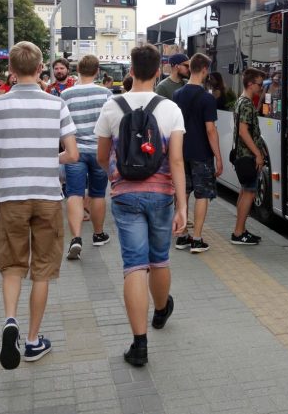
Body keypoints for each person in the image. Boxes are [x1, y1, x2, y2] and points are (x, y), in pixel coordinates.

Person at [0, 41, 78, 370]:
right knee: (42, 270)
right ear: (40, 68)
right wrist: (47, 158)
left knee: (12, 265)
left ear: (12, 71)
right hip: (47, 197)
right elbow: (72, 155)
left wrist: (12, 159)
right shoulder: (56, 104)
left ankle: (10, 321)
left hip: (10, 197)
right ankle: (33, 341)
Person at [95, 44, 186, 367]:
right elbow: (176, 160)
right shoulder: (170, 109)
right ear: (159, 71)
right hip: (162, 195)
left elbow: (103, 156)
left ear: (130, 71)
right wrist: (183, 206)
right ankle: (160, 311)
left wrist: (115, 179)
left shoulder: (111, 106)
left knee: (134, 264)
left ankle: (139, 344)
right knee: (159, 258)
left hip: (125, 194)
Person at [59, 54, 113, 259]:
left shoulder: (67, 95)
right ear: (97, 71)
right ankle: (98, 235)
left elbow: (62, 126)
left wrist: (66, 146)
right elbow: (110, 125)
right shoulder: (106, 94)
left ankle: (76, 238)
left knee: (74, 193)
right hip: (99, 151)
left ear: (77, 71)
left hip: (75, 152)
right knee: (98, 193)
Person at [171, 54, 222, 253]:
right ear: (204, 70)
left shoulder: (177, 95)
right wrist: (218, 156)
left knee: (182, 192)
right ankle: (198, 239)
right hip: (201, 153)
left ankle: (182, 236)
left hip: (181, 152)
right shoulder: (207, 98)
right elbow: (210, 129)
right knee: (202, 195)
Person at [231, 68, 266, 245]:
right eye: (260, 84)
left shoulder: (241, 101)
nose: (261, 87)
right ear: (250, 84)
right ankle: (238, 232)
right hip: (247, 157)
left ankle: (241, 229)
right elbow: (243, 132)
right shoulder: (245, 104)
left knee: (244, 191)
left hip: (242, 155)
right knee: (249, 193)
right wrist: (258, 154)